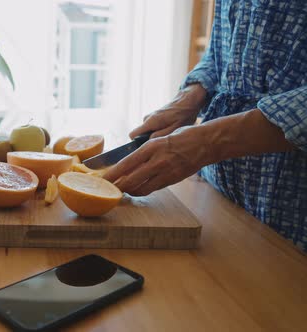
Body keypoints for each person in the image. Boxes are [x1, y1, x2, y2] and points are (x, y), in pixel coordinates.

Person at [104, 0, 306, 250]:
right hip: (220, 205)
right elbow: (224, 46)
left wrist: (212, 140)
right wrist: (191, 95)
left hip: (295, 226)